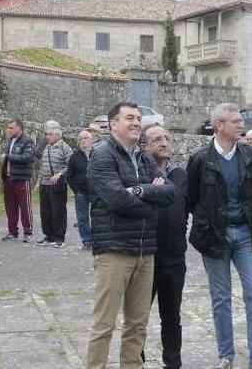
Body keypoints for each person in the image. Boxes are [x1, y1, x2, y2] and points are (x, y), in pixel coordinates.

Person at [85, 102, 176, 369]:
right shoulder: (102, 156)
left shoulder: (144, 157)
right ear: (114, 124)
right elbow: (116, 200)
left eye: (138, 118)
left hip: (145, 252)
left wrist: (137, 190)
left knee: (138, 324)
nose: (137, 122)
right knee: (104, 324)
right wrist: (151, 194)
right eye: (130, 118)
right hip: (114, 251)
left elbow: (169, 192)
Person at [187, 103, 252, 369]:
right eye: (234, 121)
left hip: (246, 234)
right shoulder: (201, 159)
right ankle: (226, 355)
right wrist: (202, 229)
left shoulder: (249, 155)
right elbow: (191, 199)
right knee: (221, 297)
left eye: (240, 120)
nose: (241, 124)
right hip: (215, 236)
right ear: (219, 125)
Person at [143, 125, 188, 369]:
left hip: (174, 257)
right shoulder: (139, 174)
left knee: (172, 317)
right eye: (156, 139)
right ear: (145, 147)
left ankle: (173, 363)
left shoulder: (181, 175)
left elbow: (188, 208)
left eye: (166, 138)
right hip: (146, 257)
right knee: (138, 317)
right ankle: (134, 360)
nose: (163, 142)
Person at [34, 120, 73, 247]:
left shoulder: (65, 148)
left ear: (57, 135)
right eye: (46, 134)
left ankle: (59, 238)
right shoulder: (46, 148)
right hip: (44, 185)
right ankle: (48, 236)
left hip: (57, 186)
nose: (47, 136)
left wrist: (60, 174)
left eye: (49, 134)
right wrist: (38, 182)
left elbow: (71, 166)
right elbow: (43, 166)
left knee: (58, 212)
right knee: (45, 212)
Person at [0, 119, 35, 242]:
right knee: (10, 206)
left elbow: (27, 157)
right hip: (9, 178)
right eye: (8, 127)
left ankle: (28, 232)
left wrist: (8, 156)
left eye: (11, 127)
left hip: (21, 178)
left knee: (25, 206)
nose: (9, 130)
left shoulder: (27, 141)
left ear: (19, 127)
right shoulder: (10, 140)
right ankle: (12, 232)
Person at [67, 130, 93, 250]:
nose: (83, 140)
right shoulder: (75, 156)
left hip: (96, 192)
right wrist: (76, 189)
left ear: (90, 140)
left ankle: (97, 239)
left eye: (86, 138)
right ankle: (86, 240)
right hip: (81, 192)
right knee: (82, 218)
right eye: (81, 138)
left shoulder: (97, 154)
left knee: (98, 216)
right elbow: (69, 176)